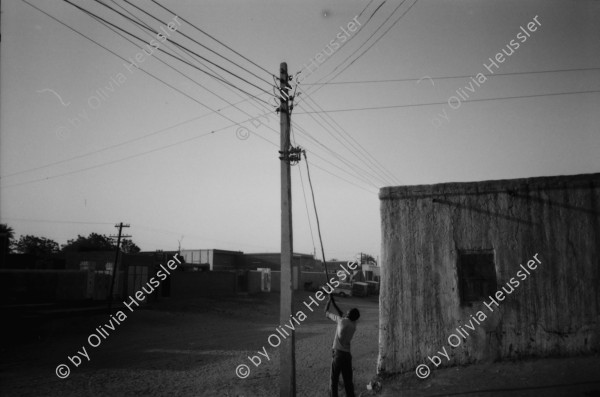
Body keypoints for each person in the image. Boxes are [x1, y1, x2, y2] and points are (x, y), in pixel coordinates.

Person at [325, 294, 360, 397]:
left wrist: (329, 301)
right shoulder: (353, 325)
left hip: (338, 354)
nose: (347, 312)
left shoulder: (341, 321)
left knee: (334, 381)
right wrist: (334, 302)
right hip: (347, 355)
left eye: (348, 312)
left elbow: (326, 313)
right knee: (348, 382)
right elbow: (342, 314)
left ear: (348, 315)